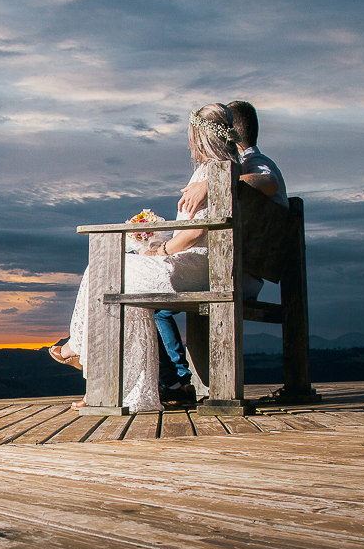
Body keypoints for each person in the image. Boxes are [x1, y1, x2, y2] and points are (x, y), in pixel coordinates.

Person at [48, 103, 240, 412]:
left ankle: (80, 351)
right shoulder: (230, 168)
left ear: (197, 135)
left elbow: (195, 232)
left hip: (195, 268)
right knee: (122, 292)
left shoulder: (213, 172)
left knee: (102, 270)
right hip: (209, 265)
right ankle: (134, 392)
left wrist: (161, 249)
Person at [154, 100, 289, 401]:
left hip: (235, 274)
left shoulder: (251, 162)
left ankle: (176, 380)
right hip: (246, 270)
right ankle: (179, 380)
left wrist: (217, 183)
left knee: (154, 304)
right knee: (162, 302)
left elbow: (269, 182)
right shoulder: (238, 164)